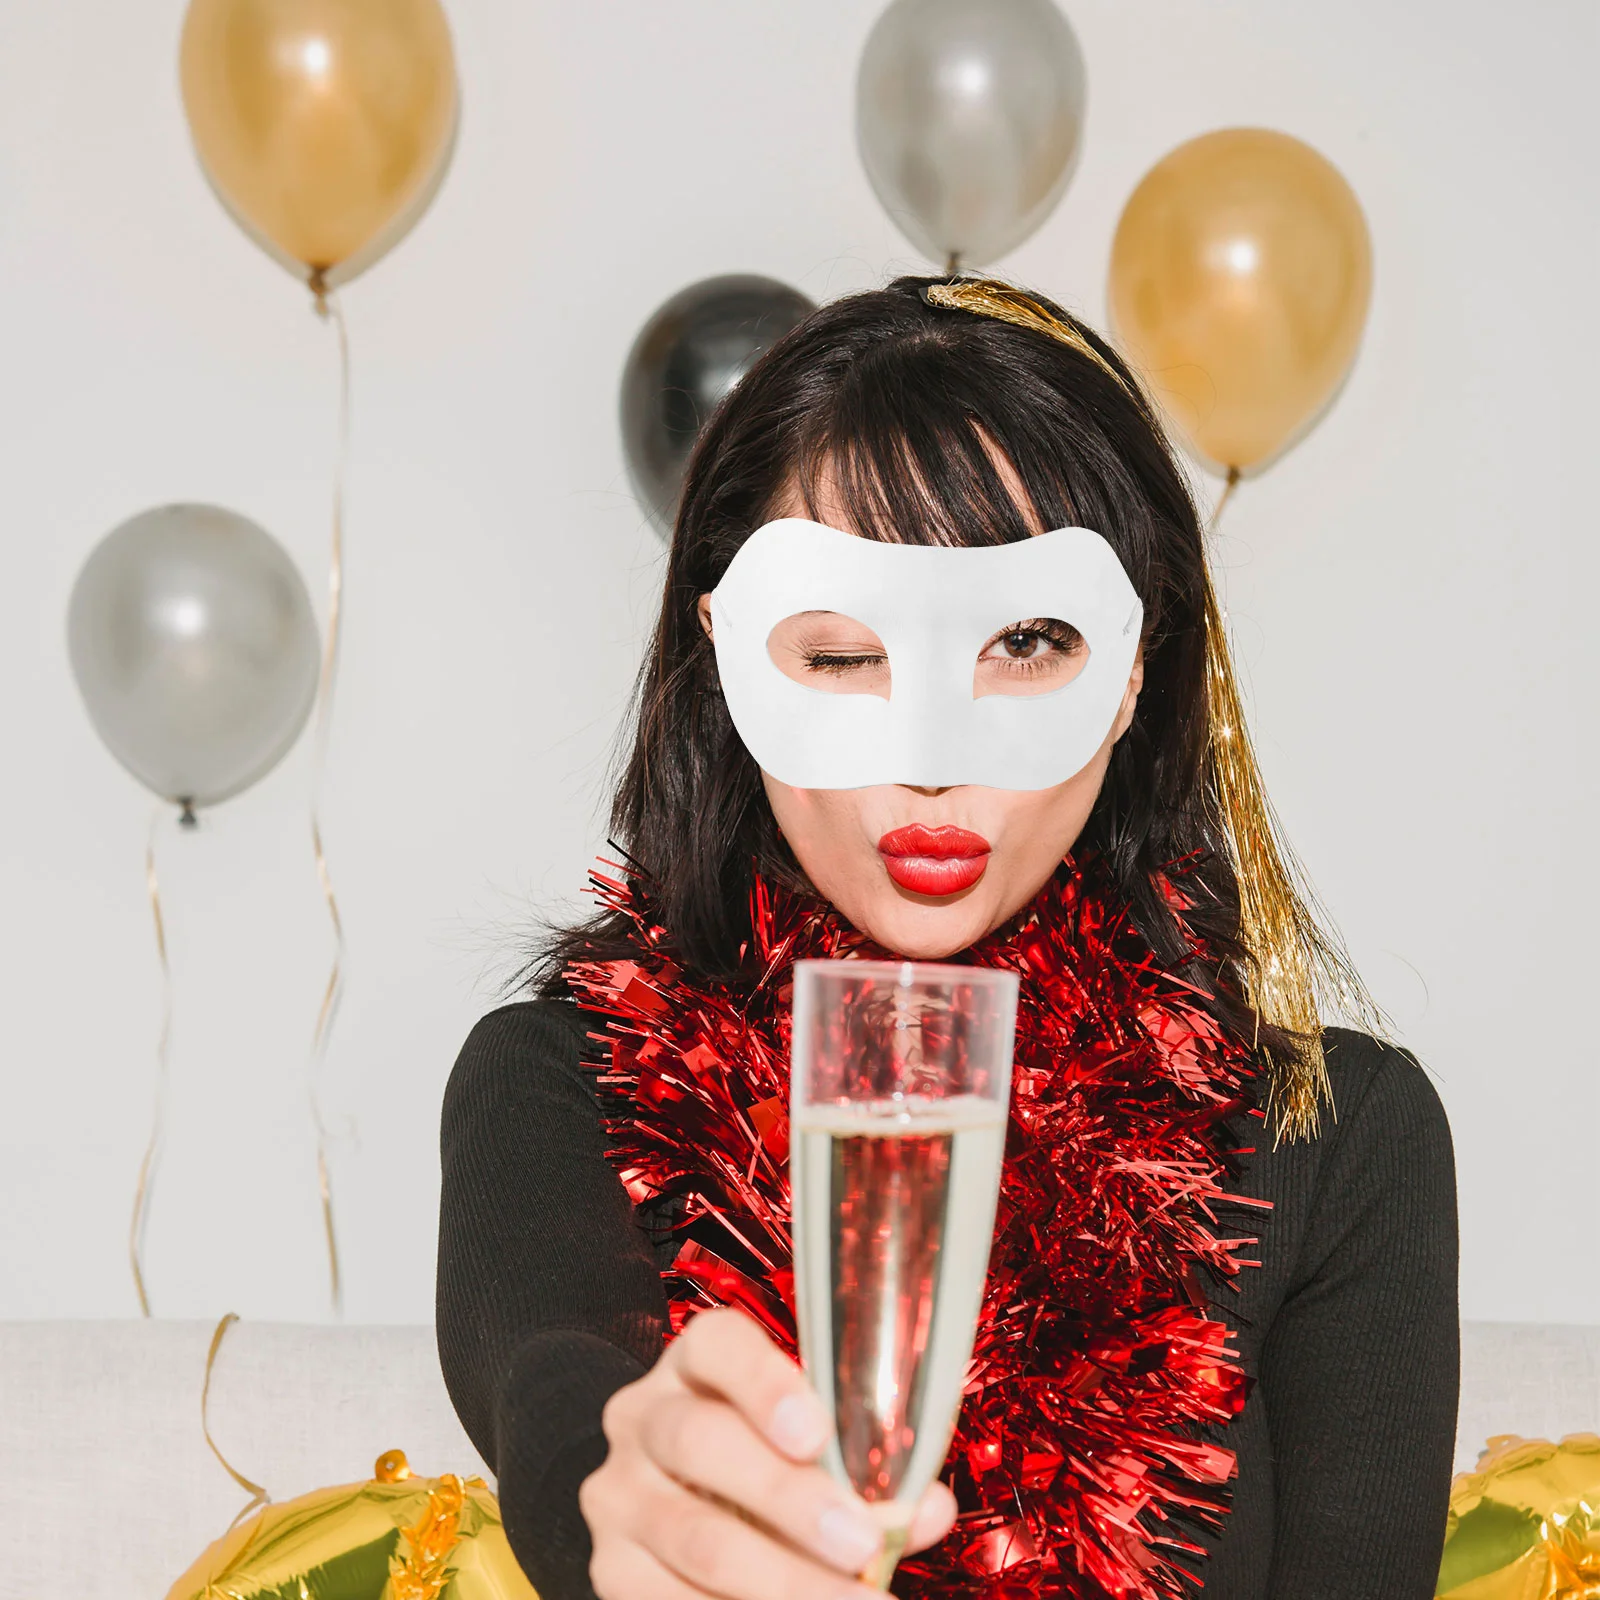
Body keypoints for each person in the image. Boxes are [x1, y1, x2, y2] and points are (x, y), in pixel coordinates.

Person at [436, 277, 1458, 1600]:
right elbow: (560, 1394)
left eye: (1027, 641)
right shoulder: (566, 1083)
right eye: (843, 654)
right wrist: (642, 1492)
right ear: (725, 650)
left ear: (1137, 665)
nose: (932, 763)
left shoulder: (1341, 1139)